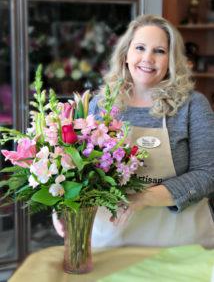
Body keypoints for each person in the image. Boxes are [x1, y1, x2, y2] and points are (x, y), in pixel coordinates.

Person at [53, 14, 214, 248]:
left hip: (179, 242)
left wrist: (143, 198)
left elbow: (207, 174)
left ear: (171, 60)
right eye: (140, 47)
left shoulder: (192, 106)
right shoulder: (101, 104)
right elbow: (74, 169)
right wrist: (61, 207)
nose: (147, 58)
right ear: (126, 54)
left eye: (159, 51)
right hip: (110, 238)